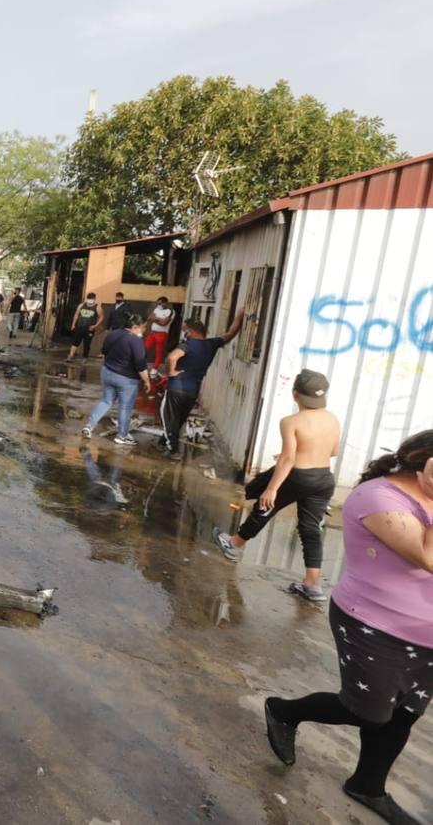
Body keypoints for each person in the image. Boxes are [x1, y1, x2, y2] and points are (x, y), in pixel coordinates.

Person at [260, 431, 432, 825]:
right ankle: (284, 711)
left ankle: (368, 786)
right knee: (369, 712)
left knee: (405, 713)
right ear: (425, 463)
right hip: (376, 624)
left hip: (428, 634)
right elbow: (428, 555)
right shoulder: (379, 498)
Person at [214, 370, 341, 602]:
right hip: (324, 479)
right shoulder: (332, 419)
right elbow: (333, 451)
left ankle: (233, 545)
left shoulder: (290, 422)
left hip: (298, 476)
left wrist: (271, 488)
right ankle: (313, 584)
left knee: (264, 506)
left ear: (295, 394)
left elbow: (288, 460)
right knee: (310, 529)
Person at [159, 310, 246, 460]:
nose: (184, 334)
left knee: (169, 417)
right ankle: (163, 442)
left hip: (176, 387)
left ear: (191, 331)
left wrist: (170, 372)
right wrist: (239, 316)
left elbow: (172, 357)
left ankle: (173, 451)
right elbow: (230, 333)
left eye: (185, 331)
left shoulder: (187, 345)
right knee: (178, 419)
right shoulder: (212, 344)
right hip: (193, 390)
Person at [81, 314, 152, 446]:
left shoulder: (112, 334)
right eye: (143, 327)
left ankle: (89, 426)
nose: (144, 330)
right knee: (125, 407)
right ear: (135, 327)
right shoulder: (136, 341)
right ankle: (122, 436)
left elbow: (105, 351)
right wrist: (147, 381)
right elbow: (141, 365)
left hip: (108, 372)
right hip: (127, 379)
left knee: (106, 401)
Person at [67, 293, 102, 360]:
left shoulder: (97, 307)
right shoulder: (81, 305)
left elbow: (101, 317)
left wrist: (95, 326)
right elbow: (76, 314)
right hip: (80, 327)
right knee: (75, 342)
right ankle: (70, 355)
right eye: (89, 299)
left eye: (92, 299)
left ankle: (85, 357)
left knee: (87, 343)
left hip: (89, 329)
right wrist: (73, 324)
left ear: (94, 299)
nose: (90, 300)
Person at [144, 296, 175, 371]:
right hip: (153, 333)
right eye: (157, 303)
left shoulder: (170, 311)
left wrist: (155, 319)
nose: (159, 305)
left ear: (165, 303)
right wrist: (159, 319)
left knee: (159, 352)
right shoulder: (157, 309)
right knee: (144, 348)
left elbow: (164, 323)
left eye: (160, 303)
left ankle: (155, 368)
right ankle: (140, 363)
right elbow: (149, 318)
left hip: (162, 334)